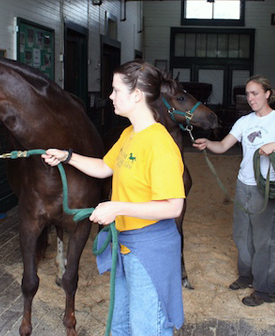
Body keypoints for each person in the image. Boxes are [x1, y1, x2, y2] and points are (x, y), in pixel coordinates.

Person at [42, 60, 186, 335]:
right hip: (125, 245)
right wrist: (67, 156)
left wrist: (117, 207)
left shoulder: (159, 144)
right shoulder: (129, 134)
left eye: (115, 90)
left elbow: (174, 207)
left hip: (150, 249)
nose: (110, 96)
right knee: (120, 327)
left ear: (136, 95)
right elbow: (104, 167)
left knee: (147, 329)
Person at [193, 75, 275, 307]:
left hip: (265, 187)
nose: (250, 98)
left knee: (264, 241)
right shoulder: (244, 121)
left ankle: (266, 290)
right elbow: (223, 146)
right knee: (242, 235)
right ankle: (246, 276)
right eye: (248, 94)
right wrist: (207, 144)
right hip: (244, 185)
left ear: (268, 94)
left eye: (255, 93)